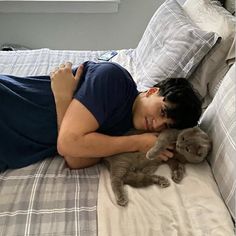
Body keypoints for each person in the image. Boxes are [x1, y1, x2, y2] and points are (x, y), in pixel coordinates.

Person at [0, 61, 202, 171]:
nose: (157, 125)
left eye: (166, 126)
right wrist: (137, 143)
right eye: (162, 111)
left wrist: (63, 99)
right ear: (151, 91)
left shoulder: (125, 129)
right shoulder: (114, 79)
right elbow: (68, 144)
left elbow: (75, 161)